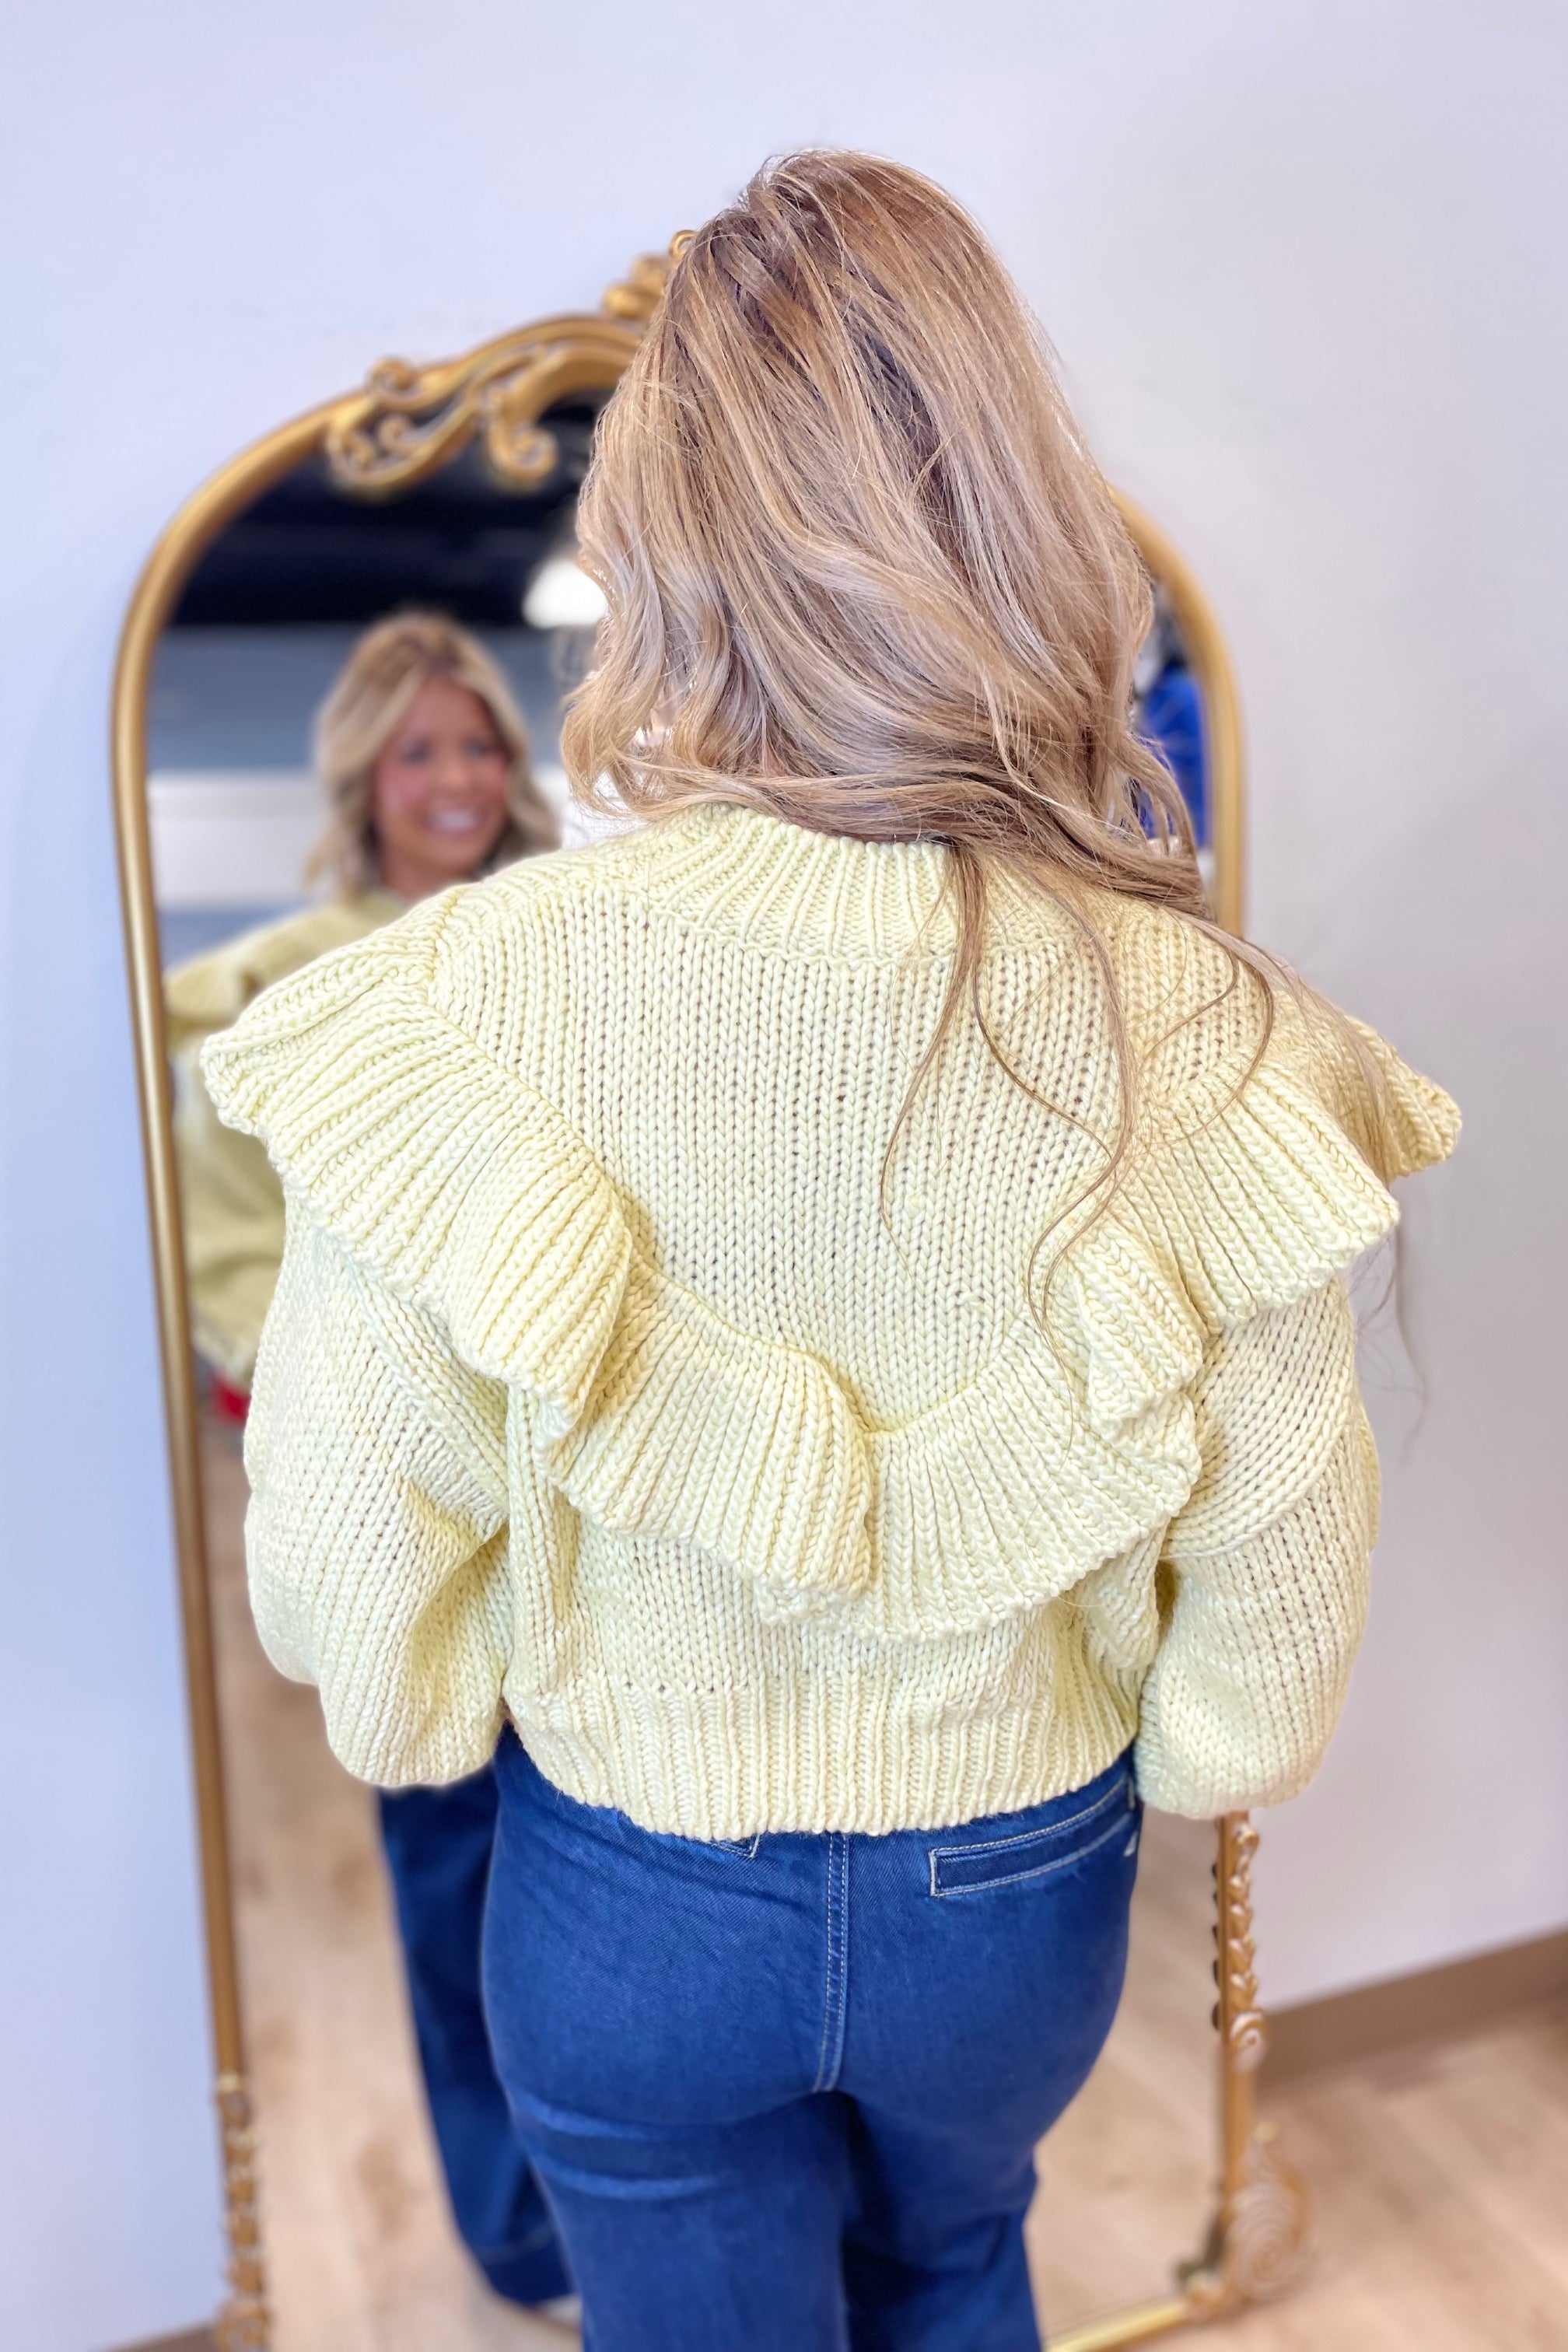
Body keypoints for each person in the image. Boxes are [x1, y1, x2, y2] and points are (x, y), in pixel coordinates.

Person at [203, 154, 1458, 2352]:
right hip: (1017, 1888)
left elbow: (343, 1567)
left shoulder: (473, 995)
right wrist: (1203, 1752)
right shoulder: (1199, 1017)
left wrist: (430, 1703)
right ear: (1024, 518)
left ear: (659, 541)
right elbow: (1283, 1552)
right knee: (958, 2262)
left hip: (632, 1880)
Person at [167, 612, 572, 2313]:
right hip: (414, 1491)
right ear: (364, 778)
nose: (459, 779)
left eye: (481, 745)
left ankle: (649, 2187)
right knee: (453, 1858)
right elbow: (227, 1240)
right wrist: (316, 1400)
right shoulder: (280, 986)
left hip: (589, 1479)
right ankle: (517, 2225)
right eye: (421, 751)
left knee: (617, 1863)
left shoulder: (574, 943)